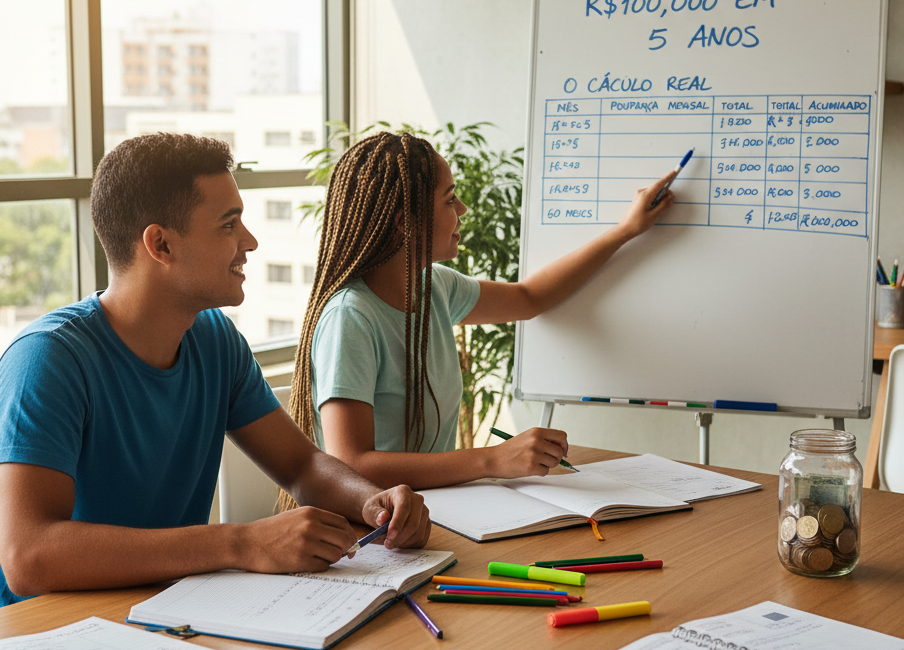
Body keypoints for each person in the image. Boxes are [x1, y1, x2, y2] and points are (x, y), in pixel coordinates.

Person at [0, 132, 429, 612]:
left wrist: (372, 501)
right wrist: (240, 543)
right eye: (228, 224)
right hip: (44, 636)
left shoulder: (214, 338)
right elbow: (27, 556)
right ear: (161, 244)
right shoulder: (46, 360)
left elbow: (302, 466)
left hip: (169, 613)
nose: (250, 242)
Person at [284, 130, 675, 500]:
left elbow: (529, 297)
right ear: (406, 222)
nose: (463, 209)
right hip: (370, 536)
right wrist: (491, 459)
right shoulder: (350, 317)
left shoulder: (436, 286)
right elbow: (350, 464)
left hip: (434, 514)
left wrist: (626, 231)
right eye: (449, 199)